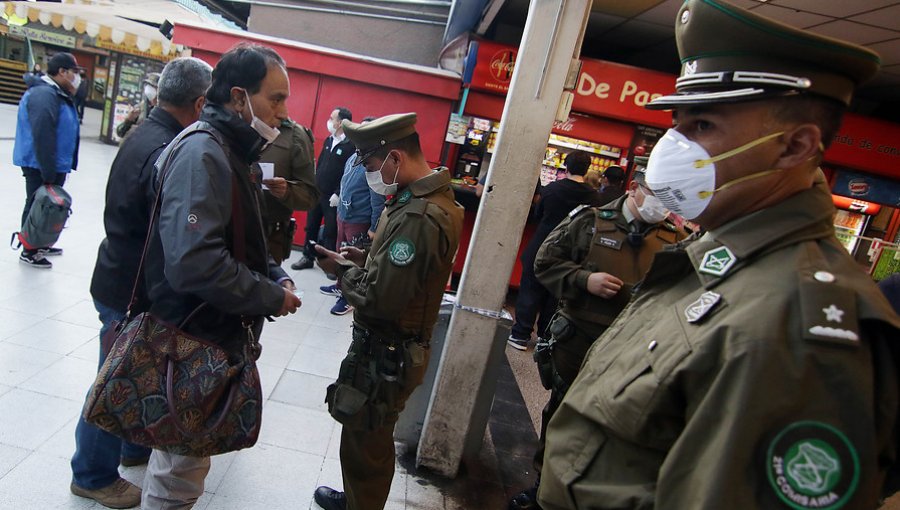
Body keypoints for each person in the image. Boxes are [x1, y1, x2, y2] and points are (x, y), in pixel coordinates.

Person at [538, 1, 900, 508]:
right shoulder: (713, 258)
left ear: (795, 147)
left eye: (703, 126)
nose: (673, 147)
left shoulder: (798, 330)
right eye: (677, 124)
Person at [140, 43, 301, 509]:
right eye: (276, 98)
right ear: (237, 97)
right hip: (192, 336)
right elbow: (195, 261)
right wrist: (268, 296)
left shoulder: (228, 149)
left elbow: (238, 235)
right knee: (178, 471)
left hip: (208, 332)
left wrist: (272, 272)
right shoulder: (203, 152)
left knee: (180, 458)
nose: (283, 112)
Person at [70, 57, 212, 509]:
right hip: (129, 286)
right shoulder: (169, 148)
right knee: (113, 382)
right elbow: (180, 220)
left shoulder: (149, 133)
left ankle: (133, 447)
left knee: (134, 373)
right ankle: (91, 475)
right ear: (200, 102)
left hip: (119, 273)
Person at [509, 169, 686, 510]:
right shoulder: (590, 221)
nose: (662, 205)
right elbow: (544, 261)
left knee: (614, 422)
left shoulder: (674, 239)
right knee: (562, 414)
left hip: (633, 349)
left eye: (670, 199)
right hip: (580, 339)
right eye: (657, 194)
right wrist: (582, 279)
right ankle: (543, 487)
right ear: (635, 189)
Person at [312, 113, 463, 510]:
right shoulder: (423, 199)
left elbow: (383, 299)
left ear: (395, 158)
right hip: (387, 350)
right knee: (364, 436)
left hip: (388, 353)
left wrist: (341, 270)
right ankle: (358, 498)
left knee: (369, 444)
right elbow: (408, 273)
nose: (368, 174)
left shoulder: (419, 215)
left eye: (370, 165)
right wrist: (368, 257)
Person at [508, 150, 603, 350]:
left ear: (566, 166)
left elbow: (538, 214)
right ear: (587, 170)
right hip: (571, 250)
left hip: (542, 243)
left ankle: (520, 335)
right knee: (556, 295)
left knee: (530, 289)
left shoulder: (552, 189)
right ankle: (545, 336)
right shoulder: (593, 196)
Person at [13, 52, 81, 269]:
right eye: (74, 72)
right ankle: (29, 249)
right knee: (37, 204)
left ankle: (40, 242)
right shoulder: (44, 94)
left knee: (47, 206)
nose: (76, 77)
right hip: (39, 163)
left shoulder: (55, 92)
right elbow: (42, 132)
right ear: (62, 71)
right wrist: (48, 169)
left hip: (50, 162)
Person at [320, 116, 386, 316]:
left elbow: (377, 199)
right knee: (341, 255)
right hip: (343, 216)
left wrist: (374, 227)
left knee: (353, 260)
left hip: (359, 220)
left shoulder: (374, 163)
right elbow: (345, 182)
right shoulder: (353, 156)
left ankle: (349, 297)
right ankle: (341, 285)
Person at [292, 106, 355, 270]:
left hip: (332, 197)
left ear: (340, 122)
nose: (329, 121)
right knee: (311, 226)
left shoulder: (350, 145)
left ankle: (328, 263)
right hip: (317, 193)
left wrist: (338, 193)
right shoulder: (329, 140)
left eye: (331, 118)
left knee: (330, 230)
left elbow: (348, 173)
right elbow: (320, 165)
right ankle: (307, 257)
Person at [258, 118, 320, 264]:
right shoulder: (232, 124)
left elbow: (310, 195)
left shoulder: (294, 135)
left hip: (270, 237)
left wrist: (287, 190)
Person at [116, 72, 159, 140]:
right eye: (148, 85)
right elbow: (120, 132)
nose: (149, 88)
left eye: (153, 86)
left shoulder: (164, 111)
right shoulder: (141, 107)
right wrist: (129, 120)